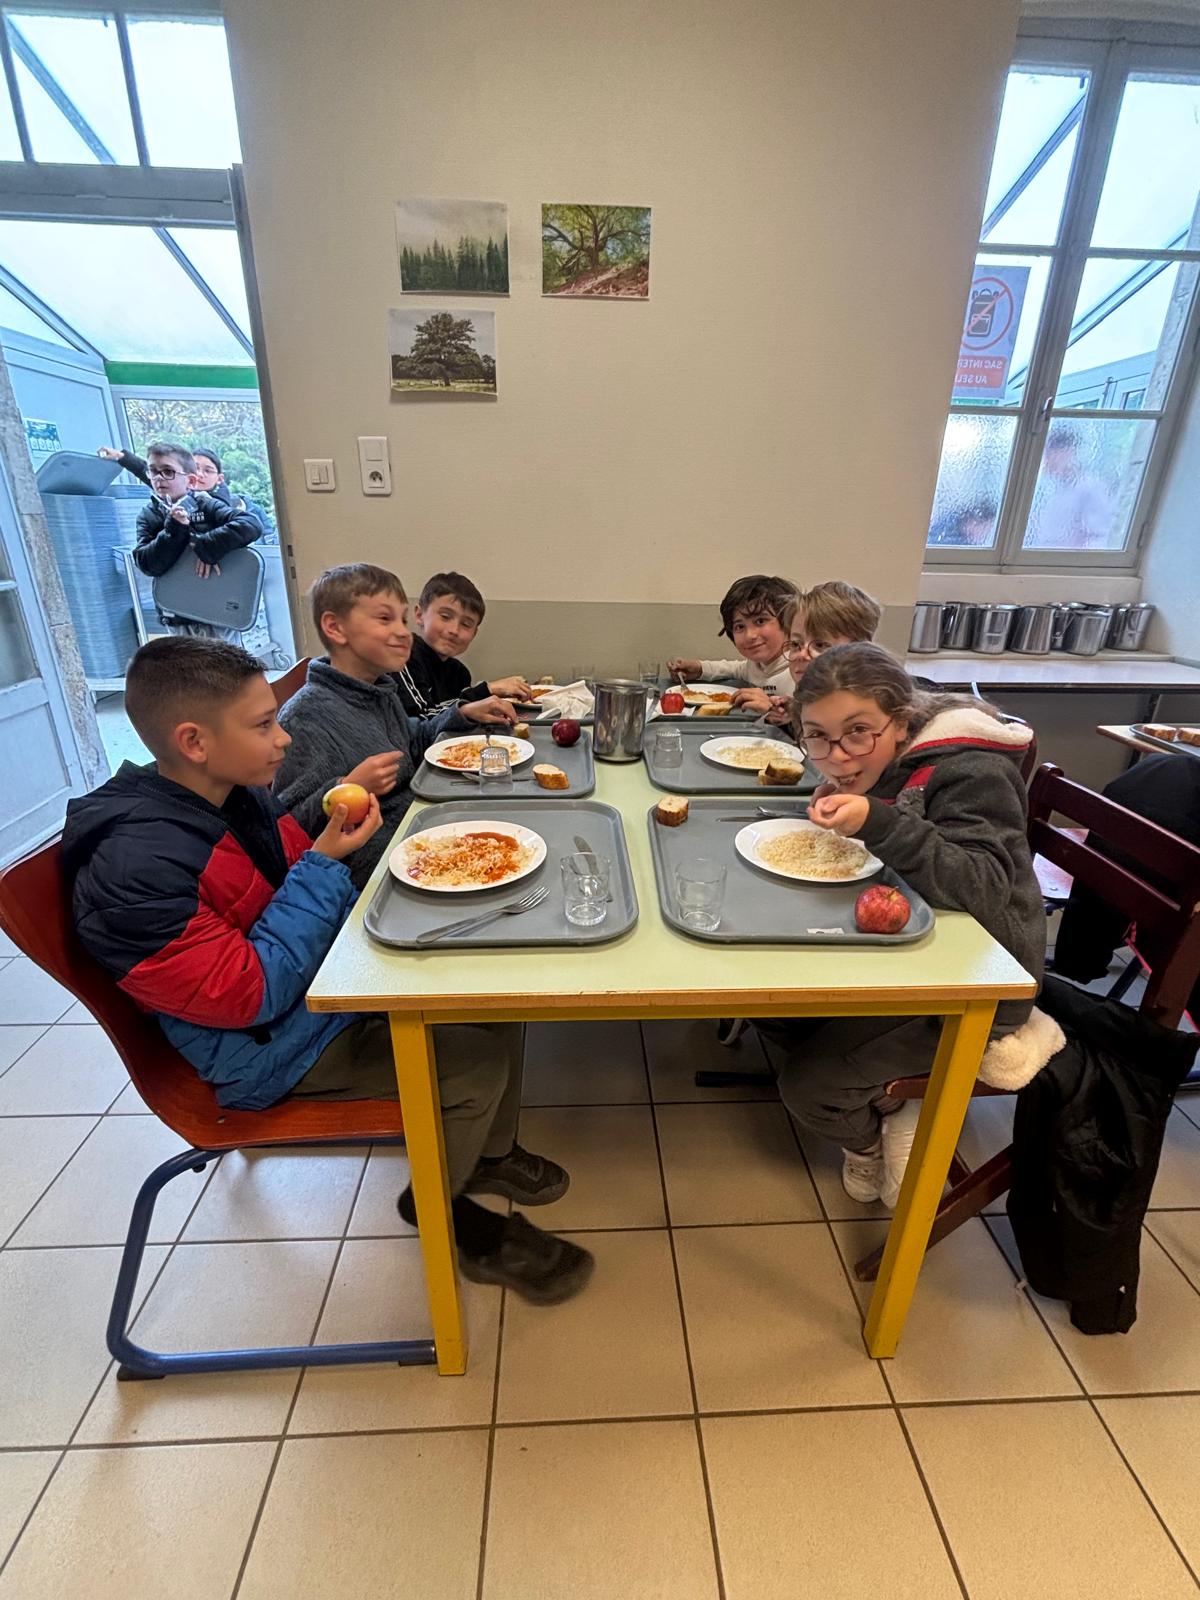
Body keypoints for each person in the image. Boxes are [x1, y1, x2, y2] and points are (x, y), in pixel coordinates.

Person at [63, 636, 591, 1304]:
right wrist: (324, 863)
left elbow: (299, 885)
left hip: (313, 994)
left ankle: (485, 1157)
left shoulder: (233, 795)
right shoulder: (135, 870)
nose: (282, 738)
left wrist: (332, 858)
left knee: (492, 998)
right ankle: (443, 1213)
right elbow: (250, 994)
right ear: (194, 741)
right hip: (265, 1050)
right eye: (264, 725)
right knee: (474, 1068)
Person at [754, 643, 1061, 1207]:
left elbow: (985, 886)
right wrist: (856, 799)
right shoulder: (889, 758)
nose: (836, 756)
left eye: (857, 732)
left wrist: (878, 821)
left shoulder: (973, 769)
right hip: (910, 952)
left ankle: (866, 1141)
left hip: (979, 984)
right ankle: (889, 1097)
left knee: (807, 1087)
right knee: (767, 1004)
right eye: (817, 736)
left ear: (901, 719)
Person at [273, 563, 519, 889]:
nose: (404, 632)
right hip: (373, 868)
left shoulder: (379, 691)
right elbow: (287, 831)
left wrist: (463, 713)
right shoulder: (305, 716)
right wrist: (347, 787)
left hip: (418, 824)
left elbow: (412, 741)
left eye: (402, 620)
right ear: (335, 627)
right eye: (385, 619)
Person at [131, 442, 268, 642]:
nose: (159, 478)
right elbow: (146, 563)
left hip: (218, 611)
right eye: (153, 471)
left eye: (168, 472)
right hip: (177, 613)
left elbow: (250, 525)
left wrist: (206, 548)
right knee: (185, 660)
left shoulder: (206, 504)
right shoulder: (148, 515)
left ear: (191, 480)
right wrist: (174, 530)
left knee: (227, 659)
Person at [738, 581, 882, 722]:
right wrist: (792, 714)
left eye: (820, 645)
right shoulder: (810, 699)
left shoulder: (867, 716)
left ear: (859, 650)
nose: (801, 654)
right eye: (795, 644)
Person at [395, 570, 532, 718]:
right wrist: (486, 690)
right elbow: (422, 718)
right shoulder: (403, 656)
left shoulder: (459, 673)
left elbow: (457, 713)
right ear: (419, 615)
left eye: (466, 624)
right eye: (445, 616)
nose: (454, 630)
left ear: (474, 634)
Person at [667, 574, 797, 700]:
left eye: (760, 621)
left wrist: (771, 708)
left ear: (788, 621)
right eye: (740, 626)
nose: (750, 635)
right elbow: (735, 669)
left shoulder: (801, 670)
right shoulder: (755, 666)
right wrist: (699, 669)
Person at [1024, 427, 1115, 550]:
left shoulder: (1090, 488)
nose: (1046, 462)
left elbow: (1098, 536)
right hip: (1043, 555)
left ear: (1069, 453)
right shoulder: (1049, 489)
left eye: (1050, 455)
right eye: (1045, 455)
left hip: (1070, 558)